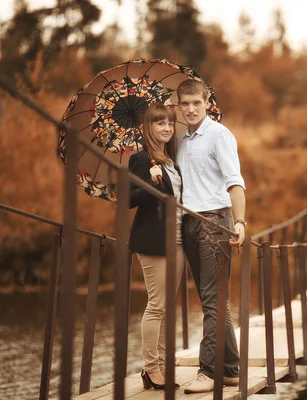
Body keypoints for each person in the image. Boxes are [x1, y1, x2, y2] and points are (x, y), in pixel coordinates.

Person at [176, 79, 247, 394]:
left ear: (207, 103)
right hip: (188, 223)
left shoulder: (219, 134)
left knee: (212, 299)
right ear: (179, 106)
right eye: (185, 104)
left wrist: (240, 222)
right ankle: (231, 370)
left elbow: (235, 181)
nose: (190, 109)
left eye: (196, 103)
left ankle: (208, 371)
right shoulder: (179, 141)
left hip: (215, 222)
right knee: (214, 300)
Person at [128, 103, 185, 391]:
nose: (166, 128)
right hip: (153, 241)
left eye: (170, 124)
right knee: (157, 305)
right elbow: (128, 198)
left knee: (166, 307)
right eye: (160, 123)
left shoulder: (172, 159)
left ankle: (161, 366)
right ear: (148, 127)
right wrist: (150, 184)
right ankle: (151, 368)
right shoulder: (140, 160)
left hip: (177, 239)